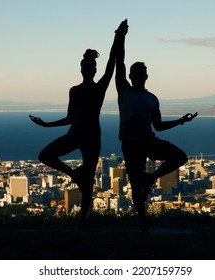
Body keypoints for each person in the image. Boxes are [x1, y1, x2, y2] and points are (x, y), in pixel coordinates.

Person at [29, 20, 128, 230]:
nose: (89, 68)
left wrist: (118, 37)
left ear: (94, 69)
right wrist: (46, 125)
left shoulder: (100, 87)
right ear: (81, 68)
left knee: (90, 176)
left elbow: (112, 60)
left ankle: (82, 220)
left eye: (92, 66)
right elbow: (68, 117)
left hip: (92, 136)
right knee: (45, 155)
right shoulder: (73, 90)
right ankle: (75, 175)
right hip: (75, 133)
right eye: (86, 65)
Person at [114, 19, 198, 232]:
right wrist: (120, 37)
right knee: (135, 185)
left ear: (146, 76)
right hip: (130, 144)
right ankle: (143, 223)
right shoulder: (123, 90)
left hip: (148, 141)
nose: (138, 76)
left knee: (180, 157)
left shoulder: (153, 98)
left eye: (141, 73)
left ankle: (149, 178)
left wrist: (180, 121)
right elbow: (119, 62)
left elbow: (158, 126)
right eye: (135, 73)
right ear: (131, 76)